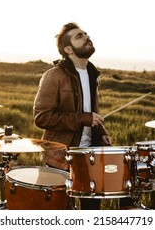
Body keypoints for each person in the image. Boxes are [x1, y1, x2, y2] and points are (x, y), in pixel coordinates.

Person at [33, 22, 131, 210]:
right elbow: (42, 117)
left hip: (89, 156)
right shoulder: (54, 76)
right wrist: (83, 118)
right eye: (79, 36)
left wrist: (100, 131)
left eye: (86, 33)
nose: (86, 36)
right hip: (60, 157)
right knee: (57, 212)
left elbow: (92, 111)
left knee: (92, 209)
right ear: (68, 49)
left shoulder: (92, 74)